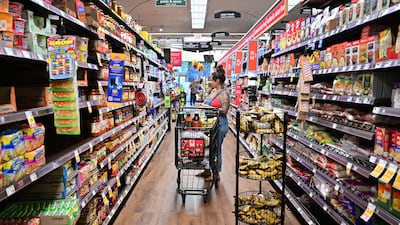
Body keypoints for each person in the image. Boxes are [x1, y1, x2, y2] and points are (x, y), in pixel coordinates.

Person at [196, 65, 230, 181]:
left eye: (211, 80)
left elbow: (224, 111)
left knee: (215, 148)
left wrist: (207, 107)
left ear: (218, 81)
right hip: (209, 123)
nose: (210, 82)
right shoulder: (214, 90)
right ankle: (207, 170)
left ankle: (216, 174)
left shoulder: (224, 94)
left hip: (219, 124)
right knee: (206, 147)